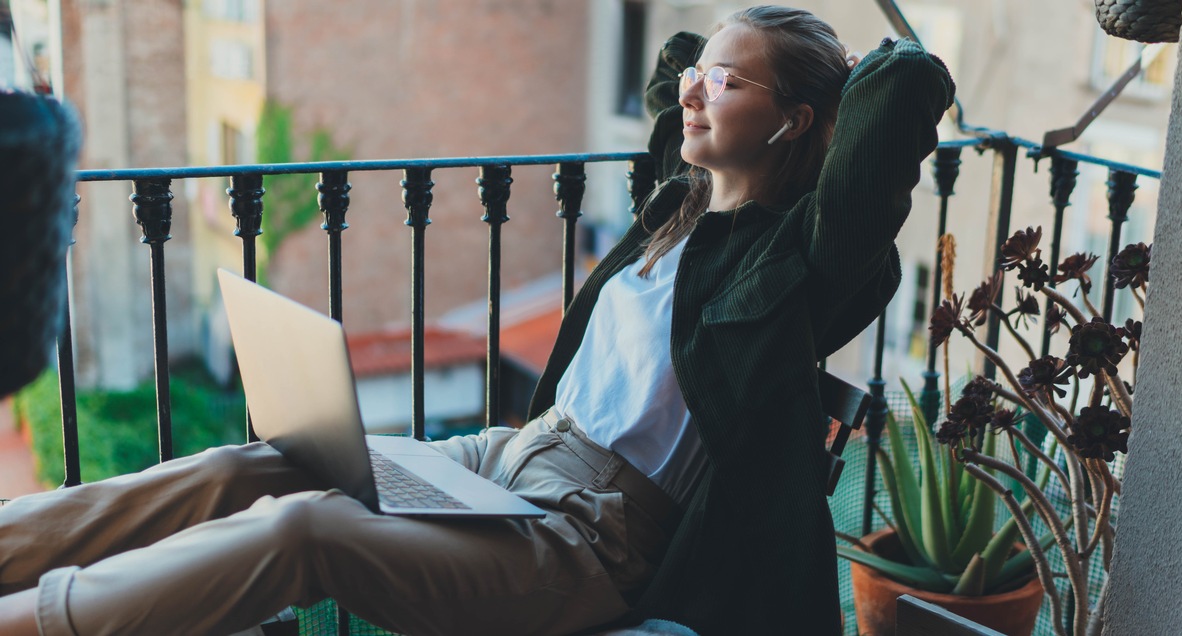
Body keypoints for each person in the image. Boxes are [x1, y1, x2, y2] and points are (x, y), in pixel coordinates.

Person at [0, 6, 954, 635]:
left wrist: (869, 68)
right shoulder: (679, 206)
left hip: (593, 538)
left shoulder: (809, 264)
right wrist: (719, 64)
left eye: (732, 82)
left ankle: (37, 624)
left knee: (307, 531)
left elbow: (905, 89)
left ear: (795, 121)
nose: (696, 92)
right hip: (512, 454)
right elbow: (674, 80)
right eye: (704, 73)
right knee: (251, 462)